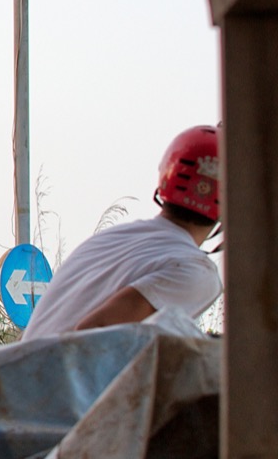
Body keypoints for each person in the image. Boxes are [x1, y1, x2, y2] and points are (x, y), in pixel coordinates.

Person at [21, 125, 222, 338]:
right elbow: (93, 335)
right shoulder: (197, 272)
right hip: (56, 370)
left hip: (24, 367)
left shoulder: (111, 239)